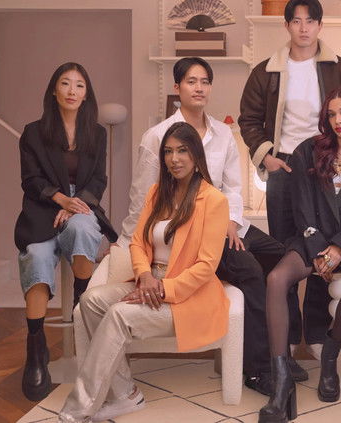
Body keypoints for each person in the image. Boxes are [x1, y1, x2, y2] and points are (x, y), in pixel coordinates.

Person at [118, 57, 284, 395]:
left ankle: (282, 352)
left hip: (226, 222)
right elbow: (142, 198)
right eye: (191, 81)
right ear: (177, 88)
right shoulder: (157, 136)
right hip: (189, 232)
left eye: (205, 82)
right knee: (251, 271)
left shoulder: (224, 134)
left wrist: (232, 222)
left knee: (283, 257)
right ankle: (256, 369)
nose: (199, 88)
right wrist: (125, 245)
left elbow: (233, 187)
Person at [58, 122, 231, 422]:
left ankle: (77, 410)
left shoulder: (214, 200)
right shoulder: (157, 193)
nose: (174, 159)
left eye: (182, 151)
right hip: (150, 281)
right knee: (90, 301)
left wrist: (162, 289)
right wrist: (146, 277)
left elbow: (206, 266)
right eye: (168, 152)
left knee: (118, 314)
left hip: (186, 297)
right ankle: (126, 394)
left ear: (196, 155)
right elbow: (138, 242)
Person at [239, 0, 341, 371]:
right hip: (285, 167)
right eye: (296, 21)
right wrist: (267, 156)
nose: (304, 28)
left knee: (322, 246)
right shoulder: (267, 70)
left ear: (320, 25)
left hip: (327, 164)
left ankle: (317, 336)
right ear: (287, 25)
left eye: (310, 21)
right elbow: (249, 119)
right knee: (287, 250)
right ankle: (289, 340)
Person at [259, 87, 341, 423]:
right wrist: (319, 249)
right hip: (311, 237)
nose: (338, 120)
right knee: (276, 279)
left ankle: (330, 357)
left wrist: (339, 247)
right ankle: (281, 379)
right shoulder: (307, 151)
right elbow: (301, 207)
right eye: (332, 114)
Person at [14, 62, 117, 402]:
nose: (72, 91)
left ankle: (81, 310)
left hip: (82, 205)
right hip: (42, 207)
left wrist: (75, 204)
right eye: (65, 83)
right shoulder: (33, 132)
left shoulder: (96, 134)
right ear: (54, 90)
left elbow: (98, 180)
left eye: (79, 85)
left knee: (84, 228)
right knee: (36, 255)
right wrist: (60, 199)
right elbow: (30, 180)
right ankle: (36, 349)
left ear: (87, 94)